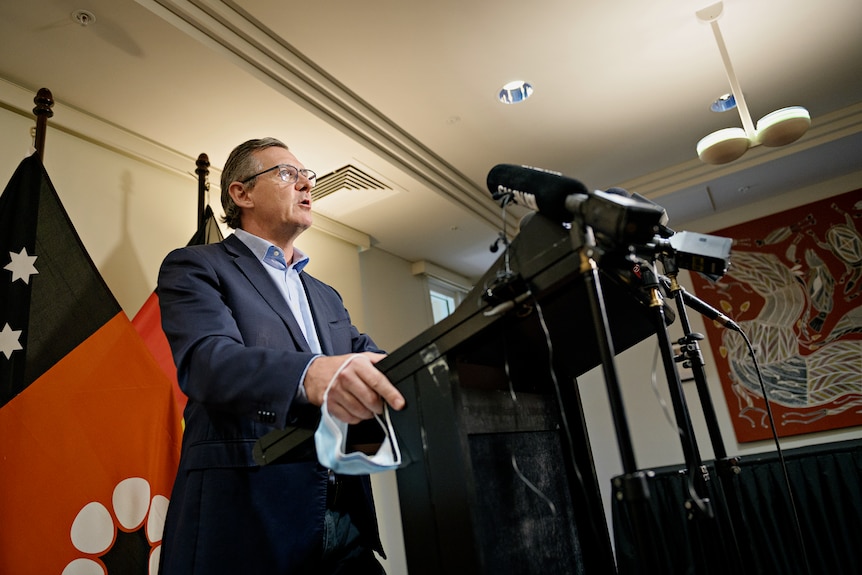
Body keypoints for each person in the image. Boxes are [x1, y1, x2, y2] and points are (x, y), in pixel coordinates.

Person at [156, 137, 406, 574]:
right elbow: (207, 362)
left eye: (307, 176)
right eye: (288, 174)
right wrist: (310, 374)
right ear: (241, 193)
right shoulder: (196, 266)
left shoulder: (326, 297)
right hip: (247, 522)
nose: (306, 185)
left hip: (344, 520)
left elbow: (371, 360)